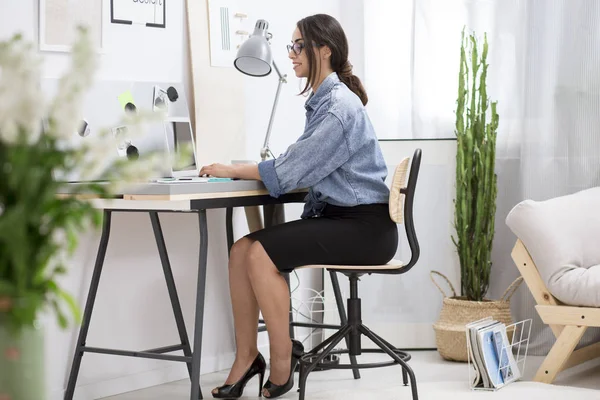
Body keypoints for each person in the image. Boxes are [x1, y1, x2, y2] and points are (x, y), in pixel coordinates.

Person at [201, 13, 398, 399]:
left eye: (297, 45)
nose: (291, 54)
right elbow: (302, 162)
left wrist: (231, 168)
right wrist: (251, 169)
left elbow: (290, 171)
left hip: (365, 229)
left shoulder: (339, 107)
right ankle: (246, 358)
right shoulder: (325, 101)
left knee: (260, 254)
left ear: (323, 50)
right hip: (345, 220)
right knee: (242, 250)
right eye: (290, 46)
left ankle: (282, 361)